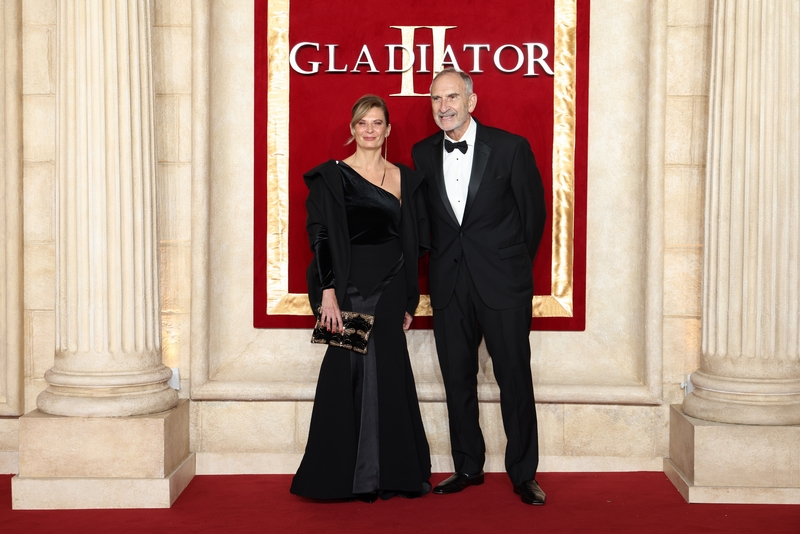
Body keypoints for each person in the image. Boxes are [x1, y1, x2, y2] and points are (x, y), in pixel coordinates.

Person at [411, 69, 547, 505]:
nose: (444, 106)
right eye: (436, 99)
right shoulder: (421, 153)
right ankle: (468, 465)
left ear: (471, 101)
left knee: (514, 378)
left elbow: (534, 216)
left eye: (452, 97)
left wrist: (510, 267)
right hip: (449, 284)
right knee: (457, 379)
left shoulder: (510, 147)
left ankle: (523, 473)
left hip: (503, 283)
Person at [291, 95, 431, 502]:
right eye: (362, 123)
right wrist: (328, 292)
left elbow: (412, 241)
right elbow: (320, 236)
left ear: (388, 130)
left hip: (389, 286)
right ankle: (339, 478)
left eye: (377, 123)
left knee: (388, 371)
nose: (369, 129)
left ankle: (391, 474)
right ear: (352, 129)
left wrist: (409, 299)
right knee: (343, 372)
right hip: (346, 288)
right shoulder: (332, 176)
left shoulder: (406, 178)